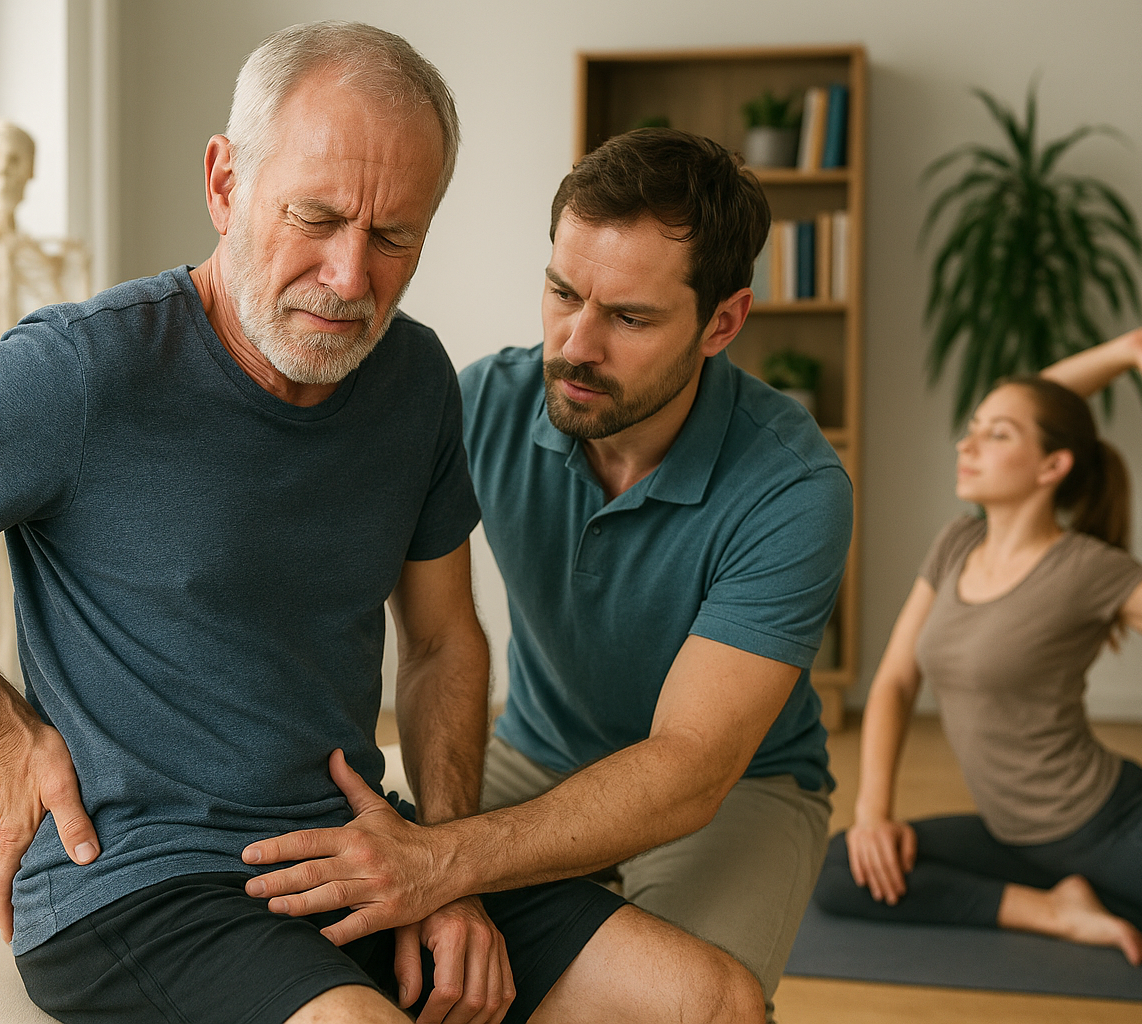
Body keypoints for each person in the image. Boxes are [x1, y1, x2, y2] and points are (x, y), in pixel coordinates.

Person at [0, 24, 764, 1024]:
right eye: (316, 217)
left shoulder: (413, 378)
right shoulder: (81, 371)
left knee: (711, 998)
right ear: (225, 182)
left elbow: (443, 638)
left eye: (394, 237)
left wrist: (444, 863)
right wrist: (6, 729)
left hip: (357, 847)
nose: (348, 276)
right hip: (145, 879)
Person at [241, 128, 852, 1020]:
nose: (576, 344)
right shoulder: (484, 401)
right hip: (532, 754)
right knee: (379, 954)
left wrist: (442, 862)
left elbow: (687, 769)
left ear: (723, 322)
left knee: (697, 1007)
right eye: (562, 292)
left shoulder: (793, 488)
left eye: (631, 318)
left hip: (737, 790)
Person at [813, 326, 1142, 961]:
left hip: (1109, 828)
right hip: (1012, 837)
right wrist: (875, 812)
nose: (970, 442)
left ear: (1053, 466)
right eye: (974, 426)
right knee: (841, 868)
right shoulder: (957, 543)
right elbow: (897, 682)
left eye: (997, 435)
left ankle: (1112, 890)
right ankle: (1056, 911)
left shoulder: (1085, 568)